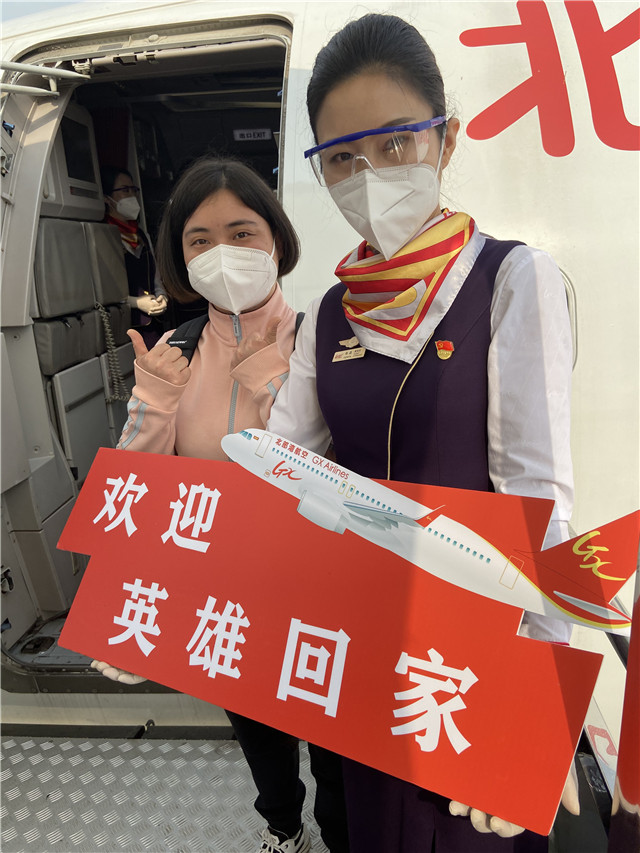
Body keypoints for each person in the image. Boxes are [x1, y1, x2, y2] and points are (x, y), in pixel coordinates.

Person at [267, 13, 579, 853]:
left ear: (445, 139)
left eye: (396, 142)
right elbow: (277, 469)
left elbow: (541, 499)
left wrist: (537, 708)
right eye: (342, 158)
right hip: (367, 650)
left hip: (474, 658)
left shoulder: (511, 279)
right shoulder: (328, 312)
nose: (369, 176)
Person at [92, 157, 349, 853]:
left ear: (277, 241)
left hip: (317, 586)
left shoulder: (326, 339)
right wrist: (154, 402)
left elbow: (338, 469)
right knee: (256, 725)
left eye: (242, 232)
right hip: (225, 587)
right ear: (181, 258)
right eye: (200, 240)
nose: (222, 253)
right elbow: (135, 488)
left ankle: (339, 833)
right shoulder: (173, 350)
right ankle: (283, 825)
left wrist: (267, 383)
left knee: (335, 737)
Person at [101, 165, 168, 348]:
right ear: (107, 198)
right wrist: (136, 303)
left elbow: (156, 278)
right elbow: (103, 290)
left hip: (153, 327)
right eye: (125, 190)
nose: (132, 196)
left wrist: (162, 297)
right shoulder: (103, 235)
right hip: (125, 328)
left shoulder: (141, 235)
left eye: (133, 190)